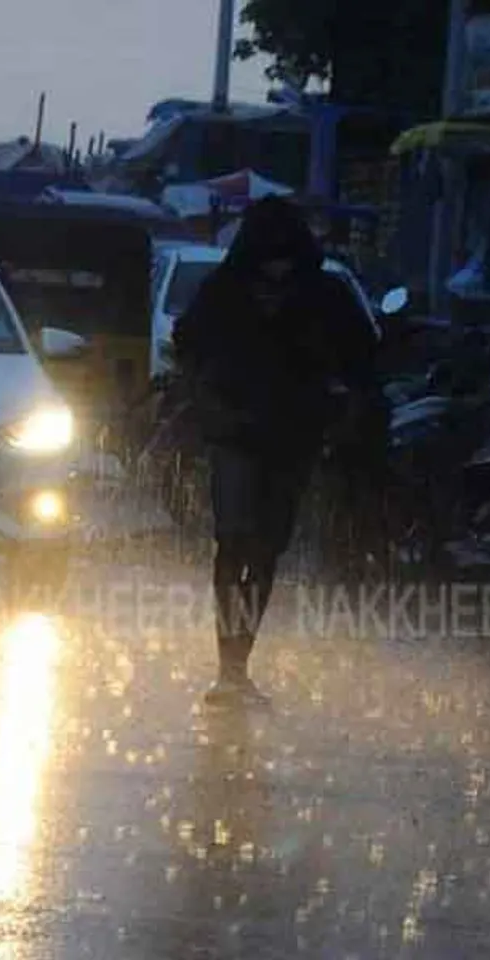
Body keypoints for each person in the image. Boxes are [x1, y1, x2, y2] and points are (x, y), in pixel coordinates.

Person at [170, 197, 377, 707]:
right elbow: (188, 347)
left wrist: (344, 409)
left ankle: (237, 663)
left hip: (292, 438)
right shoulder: (224, 290)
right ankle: (229, 667)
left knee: (264, 550)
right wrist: (207, 399)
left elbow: (362, 357)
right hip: (236, 434)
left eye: (283, 258)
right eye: (269, 257)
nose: (276, 270)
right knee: (234, 543)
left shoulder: (324, 295)